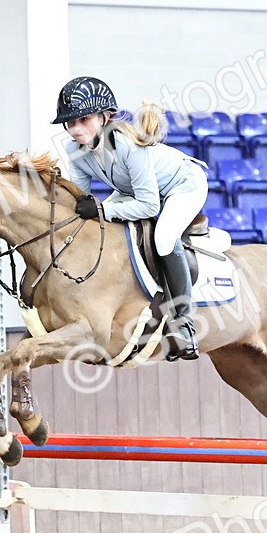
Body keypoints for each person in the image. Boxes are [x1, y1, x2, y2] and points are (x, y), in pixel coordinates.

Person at [52, 76, 208, 361]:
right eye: (70, 123)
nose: (74, 129)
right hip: (132, 191)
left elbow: (148, 206)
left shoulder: (127, 146)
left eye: (82, 120)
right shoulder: (75, 150)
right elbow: (82, 199)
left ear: (103, 116)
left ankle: (183, 322)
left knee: (163, 238)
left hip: (183, 185)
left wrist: (102, 210)